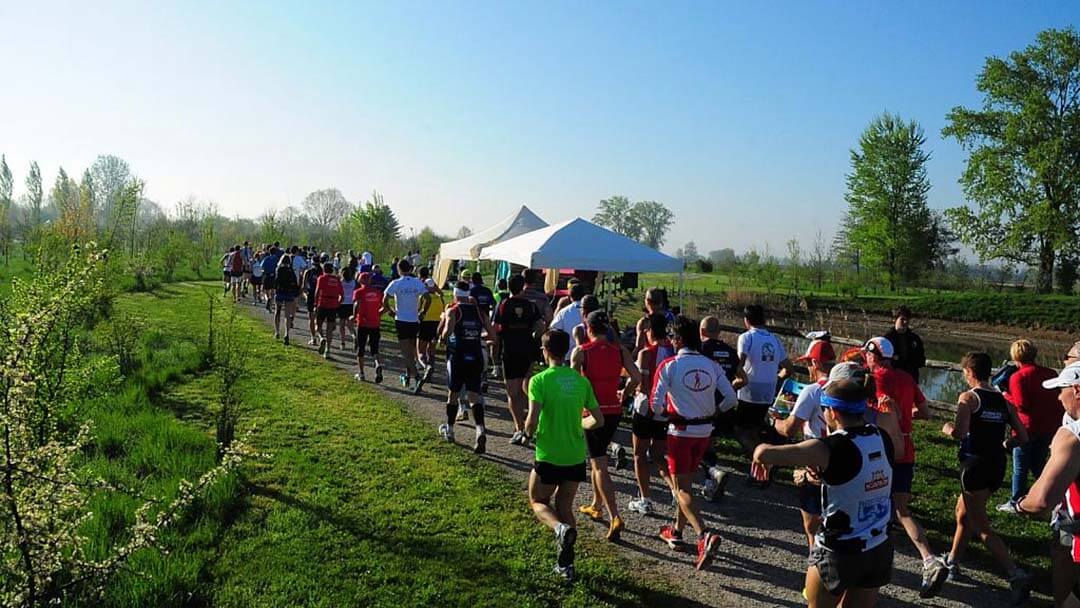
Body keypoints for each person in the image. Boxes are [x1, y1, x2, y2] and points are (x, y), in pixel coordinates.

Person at [752, 379, 895, 608]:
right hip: (878, 545)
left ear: (833, 412)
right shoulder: (883, 437)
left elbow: (764, 453)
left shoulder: (829, 447)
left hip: (839, 550)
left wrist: (761, 450)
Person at [940, 352, 1033, 605]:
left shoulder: (969, 398)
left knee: (980, 525)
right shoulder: (1004, 401)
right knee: (963, 513)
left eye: (964, 372)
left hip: (974, 466)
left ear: (969, 371)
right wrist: (1004, 443)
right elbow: (1023, 437)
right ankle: (952, 562)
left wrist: (948, 429)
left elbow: (960, 432)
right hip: (996, 466)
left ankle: (1016, 574)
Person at [863, 336, 947, 598]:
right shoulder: (907, 378)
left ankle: (867, 563)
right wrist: (906, 415)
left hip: (882, 447)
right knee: (901, 509)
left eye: (866, 355)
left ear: (872, 355)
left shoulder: (875, 380)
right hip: (907, 448)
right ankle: (929, 559)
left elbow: (878, 412)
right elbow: (926, 413)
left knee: (870, 502)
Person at [651, 315, 736, 570]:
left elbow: (655, 406)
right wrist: (715, 411)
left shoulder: (669, 365)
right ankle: (676, 530)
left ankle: (703, 534)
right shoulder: (711, 365)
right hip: (705, 431)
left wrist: (663, 412)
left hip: (680, 431)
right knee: (686, 483)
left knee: (681, 489)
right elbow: (731, 398)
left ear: (677, 339)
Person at [525, 329, 604, 583]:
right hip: (574, 456)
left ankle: (559, 529)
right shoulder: (581, 382)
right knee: (565, 506)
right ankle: (566, 565)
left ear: (545, 351)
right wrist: (580, 425)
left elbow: (531, 421)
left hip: (549, 454)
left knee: (537, 500)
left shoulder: (540, 380)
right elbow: (598, 420)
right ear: (566, 350)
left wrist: (527, 433)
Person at [572, 311, 640, 542]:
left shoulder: (582, 352)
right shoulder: (620, 350)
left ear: (588, 328)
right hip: (614, 410)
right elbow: (636, 377)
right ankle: (596, 504)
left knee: (599, 464)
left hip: (592, 412)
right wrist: (625, 394)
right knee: (596, 459)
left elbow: (573, 382)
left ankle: (615, 516)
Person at [1017, 364, 1080, 608]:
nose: (1058, 397)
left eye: (1061, 390)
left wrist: (1021, 505)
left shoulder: (1072, 435)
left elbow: (1042, 500)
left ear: (1076, 390)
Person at [773, 337, 836, 550]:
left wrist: (774, 420)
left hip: (815, 460)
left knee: (812, 525)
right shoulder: (845, 387)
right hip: (842, 456)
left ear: (816, 363)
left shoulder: (812, 390)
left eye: (809, 363)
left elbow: (789, 428)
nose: (808, 367)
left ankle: (815, 564)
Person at [998, 339, 1065, 513]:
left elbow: (1022, 405)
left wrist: (1005, 395)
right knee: (1039, 463)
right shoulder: (1049, 372)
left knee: (1020, 465)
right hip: (1049, 426)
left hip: (1027, 427)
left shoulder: (1018, 377)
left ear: (1015, 356)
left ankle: (1016, 500)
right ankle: (1051, 495)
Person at [734, 304, 791, 483]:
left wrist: (739, 381)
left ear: (746, 320)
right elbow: (788, 368)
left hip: (749, 391)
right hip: (768, 391)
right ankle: (760, 468)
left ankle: (764, 460)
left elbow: (739, 365)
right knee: (757, 428)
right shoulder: (774, 340)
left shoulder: (746, 337)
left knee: (741, 429)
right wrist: (775, 378)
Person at [438, 281, 497, 453]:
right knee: (474, 395)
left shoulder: (453, 310)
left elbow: (447, 332)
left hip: (458, 356)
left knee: (453, 394)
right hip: (476, 355)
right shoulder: (479, 312)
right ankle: (480, 429)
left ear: (455, 295)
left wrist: (444, 336)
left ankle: (449, 428)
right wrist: (477, 335)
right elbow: (492, 336)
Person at [628, 312, 676, 516]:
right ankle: (675, 490)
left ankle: (645, 499)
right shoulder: (674, 350)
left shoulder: (646, 353)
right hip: (665, 409)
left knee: (639, 454)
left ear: (649, 331)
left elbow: (644, 384)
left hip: (646, 407)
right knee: (658, 455)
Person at [698, 315, 747, 501]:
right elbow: (744, 379)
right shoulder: (730, 351)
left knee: (699, 445)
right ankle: (711, 480)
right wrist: (730, 388)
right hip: (723, 406)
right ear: (718, 332)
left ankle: (710, 480)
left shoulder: (701, 350)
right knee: (710, 443)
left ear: (702, 332)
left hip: (704, 404)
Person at [494, 274, 544, 445]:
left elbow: (495, 327)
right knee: (526, 386)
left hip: (509, 350)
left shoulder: (503, 304)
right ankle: (529, 424)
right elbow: (540, 325)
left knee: (512, 391)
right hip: (527, 350)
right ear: (522, 287)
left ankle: (519, 427)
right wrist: (534, 336)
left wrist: (499, 337)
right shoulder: (530, 305)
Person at [382, 259, 430, 391]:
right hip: (414, 320)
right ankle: (408, 375)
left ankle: (417, 377)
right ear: (410, 269)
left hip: (401, 320)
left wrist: (391, 311)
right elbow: (428, 298)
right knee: (410, 350)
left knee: (406, 353)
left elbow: (384, 299)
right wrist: (423, 312)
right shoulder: (417, 282)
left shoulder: (396, 283)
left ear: (399, 270)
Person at [416, 267, 445, 393]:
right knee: (431, 350)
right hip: (436, 325)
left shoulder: (423, 297)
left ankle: (425, 366)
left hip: (425, 324)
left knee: (420, 351)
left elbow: (418, 310)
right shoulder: (440, 298)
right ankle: (431, 369)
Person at [352, 271, 384, 383]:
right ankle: (377, 364)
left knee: (361, 348)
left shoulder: (358, 292)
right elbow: (385, 306)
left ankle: (361, 373)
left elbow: (356, 304)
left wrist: (354, 315)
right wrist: (378, 314)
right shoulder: (377, 292)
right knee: (375, 348)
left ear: (360, 280)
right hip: (375, 323)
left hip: (363, 323)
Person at [884, 306, 926, 383]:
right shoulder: (886, 339)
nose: (905, 322)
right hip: (893, 381)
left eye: (907, 319)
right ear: (894, 319)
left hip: (911, 380)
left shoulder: (915, 339)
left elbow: (921, 361)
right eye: (902, 319)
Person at [314, 262, 343, 358]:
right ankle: (328, 350)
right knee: (330, 329)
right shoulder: (337, 279)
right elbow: (341, 295)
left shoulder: (321, 278)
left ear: (324, 269)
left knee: (318, 325)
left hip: (323, 303)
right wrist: (337, 304)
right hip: (333, 304)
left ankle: (321, 338)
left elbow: (317, 291)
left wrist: (315, 304)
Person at [549, 282, 586, 360]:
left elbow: (553, 328)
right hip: (587, 354)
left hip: (569, 354)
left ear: (570, 297)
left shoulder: (564, 311)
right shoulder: (590, 310)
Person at [634, 288, 676, 354]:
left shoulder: (644, 322)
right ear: (661, 302)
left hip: (651, 359)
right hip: (671, 357)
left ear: (647, 301)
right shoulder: (672, 317)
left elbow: (639, 347)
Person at [273, 254, 299, 345]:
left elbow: (276, 282)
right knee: (287, 315)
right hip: (289, 293)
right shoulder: (291, 271)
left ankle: (277, 332)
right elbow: (295, 283)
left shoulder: (279, 270)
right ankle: (287, 333)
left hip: (280, 292)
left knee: (277, 312)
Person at [302, 262, 323, 346]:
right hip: (321, 296)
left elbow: (304, 287)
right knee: (318, 320)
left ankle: (313, 338)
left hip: (311, 296)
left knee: (311, 319)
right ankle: (321, 337)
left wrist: (305, 296)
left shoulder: (308, 272)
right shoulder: (322, 273)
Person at [337, 267, 358, 350]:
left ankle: (342, 342)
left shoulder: (340, 282)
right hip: (351, 304)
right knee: (350, 325)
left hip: (342, 304)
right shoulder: (354, 282)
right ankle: (354, 336)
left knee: (342, 325)